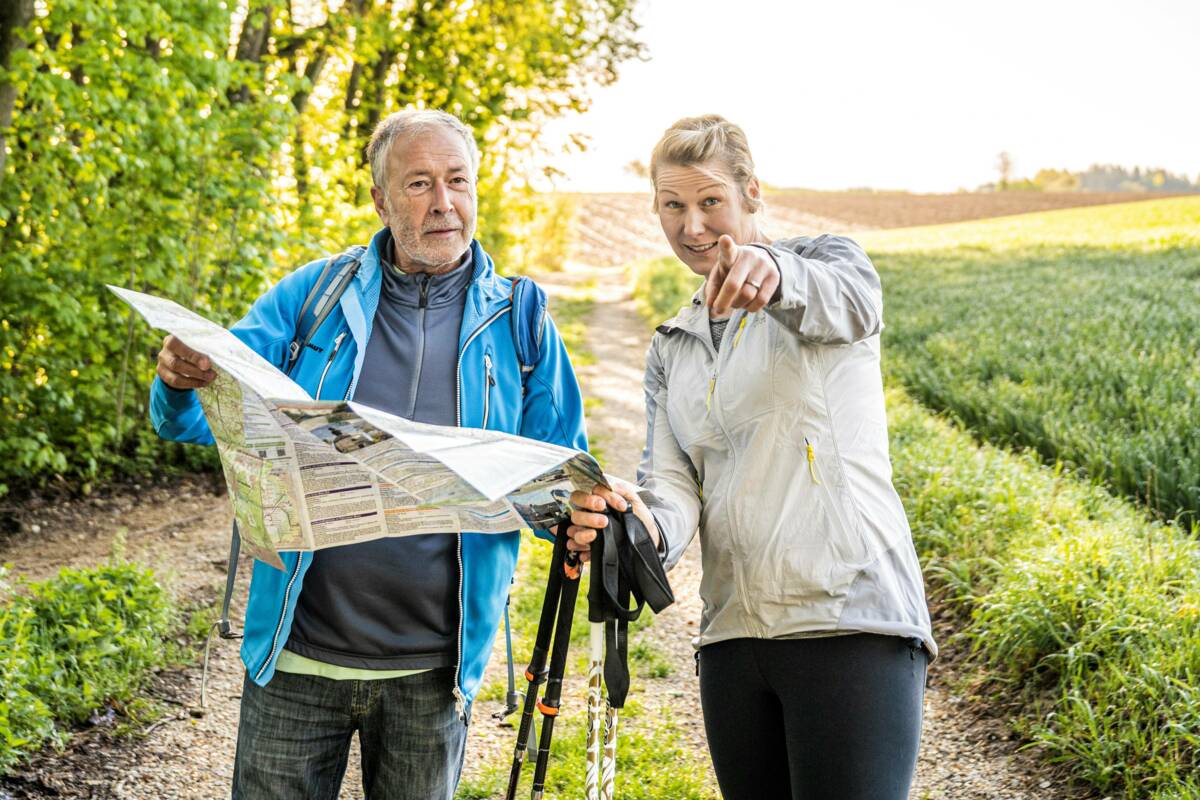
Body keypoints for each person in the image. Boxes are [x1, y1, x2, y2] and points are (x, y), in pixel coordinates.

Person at [150, 109, 587, 800]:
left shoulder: (522, 321)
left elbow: (559, 481)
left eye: (456, 181)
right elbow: (206, 410)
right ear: (381, 200)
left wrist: (581, 518)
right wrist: (179, 381)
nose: (443, 203)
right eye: (418, 184)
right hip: (297, 658)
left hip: (433, 675)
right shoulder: (312, 298)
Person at [567, 115, 936, 800]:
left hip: (849, 621)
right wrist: (629, 520)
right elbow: (674, 491)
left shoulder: (827, 268)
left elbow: (853, 304)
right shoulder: (672, 343)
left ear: (751, 193)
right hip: (733, 636)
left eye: (710, 201)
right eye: (672, 205)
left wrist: (776, 273)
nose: (692, 225)